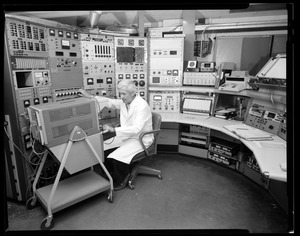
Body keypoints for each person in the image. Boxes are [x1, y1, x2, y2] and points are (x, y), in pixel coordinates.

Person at [78, 80, 153, 190]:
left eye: (124, 94)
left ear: (132, 93)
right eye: (120, 94)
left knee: (117, 156)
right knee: (102, 149)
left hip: (140, 139)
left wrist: (114, 129)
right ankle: (112, 175)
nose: (121, 97)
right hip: (127, 136)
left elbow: (137, 129)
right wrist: (90, 96)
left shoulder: (141, 106)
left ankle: (121, 179)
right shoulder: (125, 102)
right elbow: (109, 102)